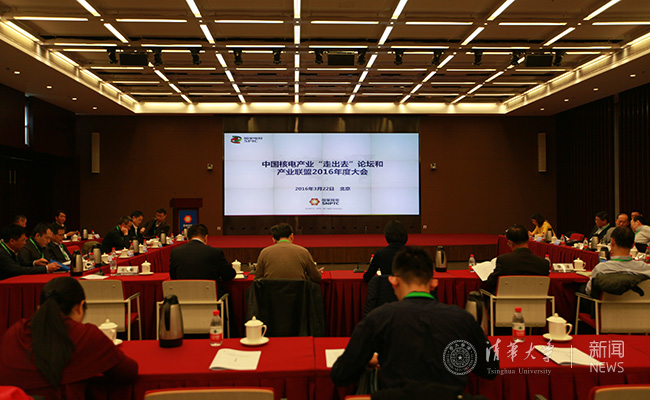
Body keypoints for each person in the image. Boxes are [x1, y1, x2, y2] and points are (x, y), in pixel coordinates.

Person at [331, 247, 498, 391]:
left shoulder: (378, 319)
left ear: (393, 281)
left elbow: (340, 374)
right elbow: (490, 369)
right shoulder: (462, 319)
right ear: (434, 283)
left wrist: (372, 359)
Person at [0, 277, 138, 398]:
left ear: (39, 308)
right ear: (80, 307)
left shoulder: (14, 332)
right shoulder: (85, 335)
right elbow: (127, 372)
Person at [169, 224, 236, 296]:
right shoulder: (215, 252)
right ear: (206, 237)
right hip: (210, 298)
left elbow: (173, 277)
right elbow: (229, 275)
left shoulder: (175, 252)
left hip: (183, 297)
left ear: (187, 239)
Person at [484, 224, 549, 294]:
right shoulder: (544, 263)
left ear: (510, 243)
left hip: (507, 299)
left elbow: (491, 283)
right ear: (528, 240)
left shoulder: (504, 260)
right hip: (536, 300)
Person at [586, 227, 650, 296]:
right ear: (633, 245)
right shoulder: (645, 268)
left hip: (606, 303)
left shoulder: (601, 268)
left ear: (612, 242)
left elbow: (589, 290)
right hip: (639, 302)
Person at [255, 223, 322, 282]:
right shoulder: (303, 251)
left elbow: (257, 279)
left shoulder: (264, 252)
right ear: (292, 236)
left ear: (274, 240)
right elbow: (316, 277)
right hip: (298, 292)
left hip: (271, 292)